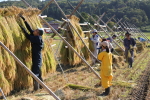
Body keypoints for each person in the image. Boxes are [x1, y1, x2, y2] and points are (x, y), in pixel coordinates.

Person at [19, 15, 44, 91]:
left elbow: (28, 36)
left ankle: (36, 89)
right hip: (36, 57)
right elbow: (30, 30)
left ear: (38, 33)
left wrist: (22, 29)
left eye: (36, 30)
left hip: (37, 58)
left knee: (35, 73)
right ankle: (42, 85)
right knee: (38, 72)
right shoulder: (37, 36)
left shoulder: (37, 38)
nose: (34, 31)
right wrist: (25, 21)